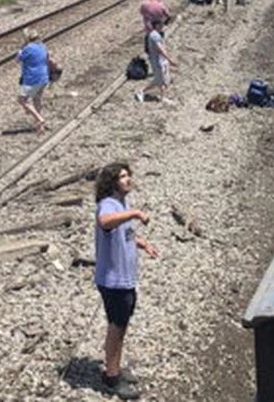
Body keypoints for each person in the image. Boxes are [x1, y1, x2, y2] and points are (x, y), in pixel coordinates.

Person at [94, 162, 158, 400]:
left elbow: (126, 232)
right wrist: (134, 213)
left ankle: (116, 367)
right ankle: (111, 377)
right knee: (116, 327)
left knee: (121, 326)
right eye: (122, 176)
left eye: (128, 175)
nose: (128, 179)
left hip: (125, 279)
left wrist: (144, 244)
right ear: (112, 182)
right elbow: (106, 221)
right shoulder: (108, 205)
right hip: (113, 281)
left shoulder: (123, 203)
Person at [15, 27, 52, 133]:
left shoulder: (28, 49)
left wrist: (21, 49)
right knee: (37, 99)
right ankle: (40, 127)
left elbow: (17, 59)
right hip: (44, 77)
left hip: (32, 79)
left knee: (22, 100)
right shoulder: (43, 46)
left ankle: (39, 119)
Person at [135, 19, 177, 102]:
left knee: (162, 79)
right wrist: (170, 60)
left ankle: (162, 96)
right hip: (157, 61)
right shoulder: (154, 36)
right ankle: (142, 92)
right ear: (157, 25)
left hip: (161, 60)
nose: (162, 25)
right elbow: (160, 49)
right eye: (161, 24)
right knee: (159, 80)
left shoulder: (156, 34)